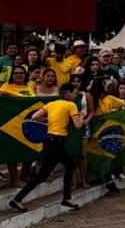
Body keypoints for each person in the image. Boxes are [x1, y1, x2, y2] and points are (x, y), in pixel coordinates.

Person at [9, 83, 83, 212]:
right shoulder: (71, 105)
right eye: (74, 93)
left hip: (49, 141)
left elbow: (34, 117)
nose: (75, 95)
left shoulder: (52, 104)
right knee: (70, 165)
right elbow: (78, 125)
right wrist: (81, 115)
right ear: (68, 93)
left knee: (42, 175)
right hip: (56, 141)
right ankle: (67, 198)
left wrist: (48, 121)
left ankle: (17, 199)